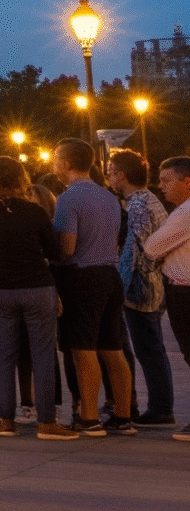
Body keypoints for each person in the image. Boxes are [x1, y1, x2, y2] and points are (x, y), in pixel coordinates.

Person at [49, 139, 136, 435]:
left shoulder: (68, 199)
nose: (52, 164)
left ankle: (89, 417)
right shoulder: (109, 196)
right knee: (112, 348)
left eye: (55, 158)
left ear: (65, 164)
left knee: (82, 349)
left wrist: (50, 252)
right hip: (109, 275)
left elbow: (68, 247)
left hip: (82, 277)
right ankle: (123, 416)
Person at [107, 150, 174, 429]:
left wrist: (118, 285)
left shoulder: (137, 205)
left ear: (122, 175)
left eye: (111, 172)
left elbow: (136, 250)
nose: (109, 177)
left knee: (147, 348)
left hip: (140, 286)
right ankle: (160, 406)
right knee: (151, 347)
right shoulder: (148, 200)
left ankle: (160, 408)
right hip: (152, 283)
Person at [140, 155, 190, 444]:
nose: (161, 187)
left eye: (167, 180)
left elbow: (153, 247)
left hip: (184, 290)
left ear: (187, 181)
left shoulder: (184, 213)